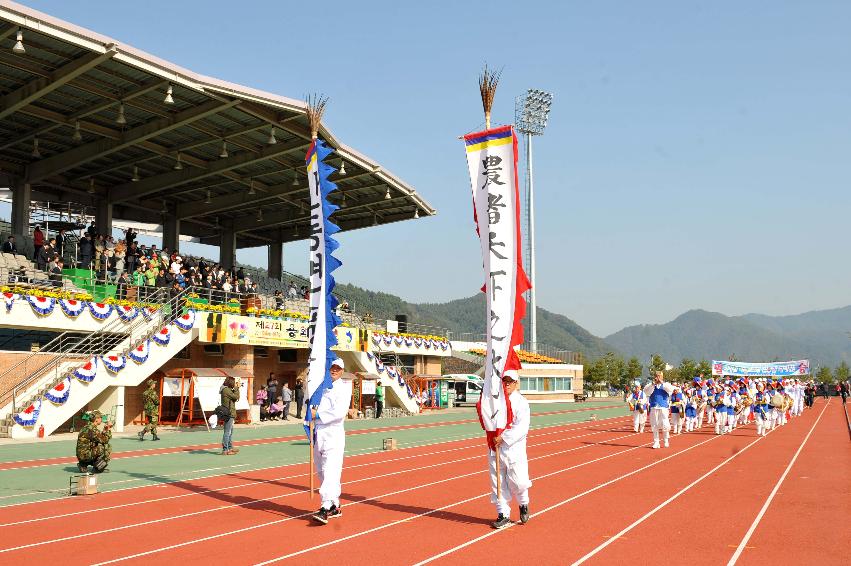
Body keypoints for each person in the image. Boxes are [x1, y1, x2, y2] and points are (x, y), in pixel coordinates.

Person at [487, 370, 531, 529]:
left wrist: (504, 437)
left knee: (519, 482)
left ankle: (523, 503)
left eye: (510, 381)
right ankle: (502, 513)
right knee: (497, 483)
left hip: (514, 449)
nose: (507, 384)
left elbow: (522, 427)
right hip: (495, 448)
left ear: (516, 383)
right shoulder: (494, 401)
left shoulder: (522, 403)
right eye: (504, 381)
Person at [311, 358, 353, 525]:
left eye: (337, 368)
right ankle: (335, 505)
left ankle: (325, 507)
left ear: (342, 371)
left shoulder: (343, 388)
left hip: (333, 433)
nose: (334, 370)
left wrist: (318, 416)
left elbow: (339, 412)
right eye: (332, 367)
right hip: (318, 433)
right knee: (321, 471)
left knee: (330, 470)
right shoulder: (320, 386)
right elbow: (311, 406)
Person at [643, 371, 675, 449]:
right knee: (654, 425)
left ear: (662, 377)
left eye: (659, 376)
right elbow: (646, 391)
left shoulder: (666, 385)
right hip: (654, 406)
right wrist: (652, 384)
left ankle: (666, 440)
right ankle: (656, 442)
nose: (657, 378)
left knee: (665, 424)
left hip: (663, 407)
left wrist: (662, 382)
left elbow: (670, 389)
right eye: (656, 376)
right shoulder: (651, 385)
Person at [220, 376, 240, 455]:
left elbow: (234, 398)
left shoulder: (226, 390)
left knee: (230, 431)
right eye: (234, 382)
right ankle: (225, 449)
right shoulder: (226, 390)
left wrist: (235, 389)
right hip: (228, 413)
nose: (234, 384)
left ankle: (230, 447)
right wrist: (236, 388)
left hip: (229, 412)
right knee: (227, 432)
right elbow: (236, 396)